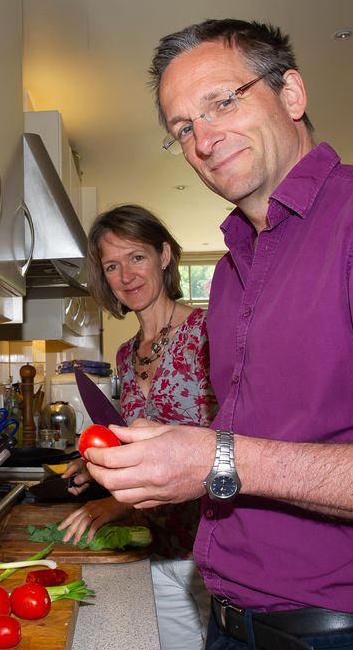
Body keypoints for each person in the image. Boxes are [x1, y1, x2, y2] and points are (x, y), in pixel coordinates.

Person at [82, 19, 353, 650]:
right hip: (230, 622)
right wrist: (178, 451)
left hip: (346, 636)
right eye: (183, 127)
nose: (203, 139)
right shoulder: (234, 272)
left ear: (291, 94)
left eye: (222, 102)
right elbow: (261, 440)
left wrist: (215, 459)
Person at [57, 204, 218, 650]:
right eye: (112, 265)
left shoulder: (209, 333)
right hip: (155, 543)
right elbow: (143, 437)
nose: (126, 275)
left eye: (136, 257)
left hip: (210, 543)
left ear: (164, 255)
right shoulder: (126, 356)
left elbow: (231, 443)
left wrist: (119, 505)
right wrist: (98, 464)